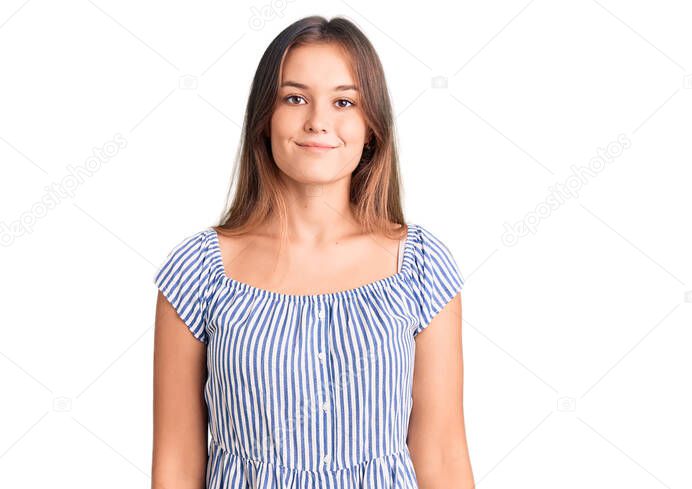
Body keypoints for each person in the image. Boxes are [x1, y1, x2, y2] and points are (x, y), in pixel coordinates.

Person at [151, 16, 474, 488]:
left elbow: (443, 456)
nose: (318, 121)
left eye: (344, 101)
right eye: (295, 98)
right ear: (265, 117)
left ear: (371, 127)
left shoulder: (421, 268)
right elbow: (177, 464)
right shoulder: (198, 272)